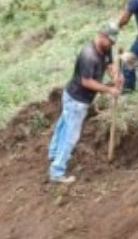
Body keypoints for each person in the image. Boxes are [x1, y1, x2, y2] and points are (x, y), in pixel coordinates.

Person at [48, 23, 122, 184]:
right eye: (110, 41)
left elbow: (108, 63)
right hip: (77, 100)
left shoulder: (105, 47)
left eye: (113, 42)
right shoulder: (88, 56)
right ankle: (57, 171)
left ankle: (53, 153)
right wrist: (109, 90)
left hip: (72, 95)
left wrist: (115, 75)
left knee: (63, 125)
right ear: (102, 35)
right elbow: (86, 81)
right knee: (70, 136)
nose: (111, 44)